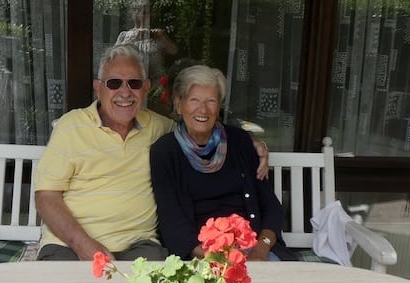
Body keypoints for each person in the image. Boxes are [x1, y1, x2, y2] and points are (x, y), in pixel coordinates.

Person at [34, 45, 269, 261]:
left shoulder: (158, 128)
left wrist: (251, 142)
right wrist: (82, 244)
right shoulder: (71, 127)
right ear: (98, 88)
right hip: (70, 245)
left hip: (139, 247)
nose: (125, 92)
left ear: (146, 88)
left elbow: (200, 125)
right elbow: (46, 197)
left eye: (134, 83)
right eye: (114, 83)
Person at [150, 64, 296, 261]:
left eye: (211, 101)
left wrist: (262, 249)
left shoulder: (240, 141)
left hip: (254, 249)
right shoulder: (165, 151)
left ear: (219, 106)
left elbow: (271, 206)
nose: (203, 109)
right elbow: (172, 223)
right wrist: (220, 260)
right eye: (194, 100)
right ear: (178, 104)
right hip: (201, 256)